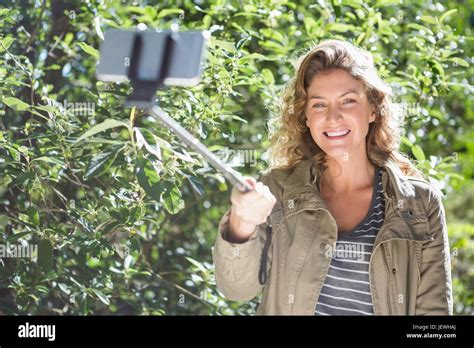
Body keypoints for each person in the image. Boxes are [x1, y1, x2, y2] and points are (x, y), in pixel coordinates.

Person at [212, 39, 453, 315]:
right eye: (319, 105)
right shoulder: (278, 190)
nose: (333, 117)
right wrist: (242, 221)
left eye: (348, 101)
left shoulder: (420, 203)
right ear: (306, 117)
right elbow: (236, 288)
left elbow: (434, 318)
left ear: (373, 109)